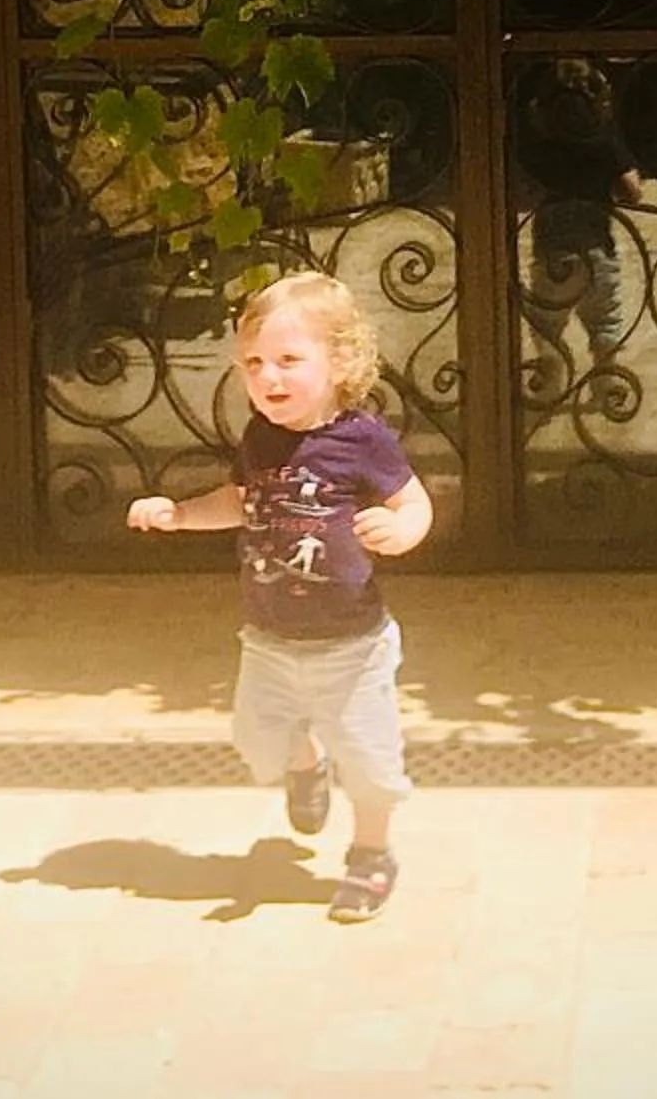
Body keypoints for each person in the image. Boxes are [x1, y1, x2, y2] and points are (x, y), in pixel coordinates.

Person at [125, 270, 433, 922]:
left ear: (339, 361)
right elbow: (239, 502)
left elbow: (415, 502)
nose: (268, 378)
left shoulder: (363, 439)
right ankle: (305, 762)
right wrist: (180, 515)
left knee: (371, 764)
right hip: (268, 639)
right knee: (256, 740)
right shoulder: (260, 438)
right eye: (254, 364)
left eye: (289, 360)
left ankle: (371, 856)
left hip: (352, 647)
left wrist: (403, 530)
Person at [516, 56, 644, 361]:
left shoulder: (538, 146)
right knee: (605, 326)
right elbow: (633, 192)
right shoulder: (604, 143)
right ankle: (606, 379)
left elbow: (521, 194)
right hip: (598, 251)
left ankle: (550, 375)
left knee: (545, 326)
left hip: (553, 253)